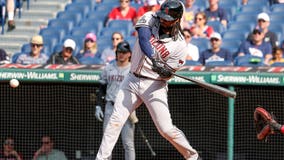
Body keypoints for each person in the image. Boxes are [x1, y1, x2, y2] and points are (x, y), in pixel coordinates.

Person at [96, 0, 199, 160]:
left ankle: (192, 156)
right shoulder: (150, 17)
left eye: (167, 18)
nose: (163, 20)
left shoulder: (180, 46)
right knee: (115, 121)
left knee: (165, 129)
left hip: (154, 85)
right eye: (162, 16)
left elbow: (169, 75)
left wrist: (166, 72)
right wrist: (154, 58)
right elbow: (143, 38)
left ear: (177, 20)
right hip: (131, 79)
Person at [95, 41, 137, 160]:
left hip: (126, 108)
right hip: (111, 107)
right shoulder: (108, 68)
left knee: (128, 143)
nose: (121, 55)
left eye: (124, 52)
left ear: (129, 54)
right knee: (107, 142)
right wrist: (98, 106)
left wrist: (134, 107)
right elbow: (101, 89)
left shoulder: (133, 70)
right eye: (119, 52)